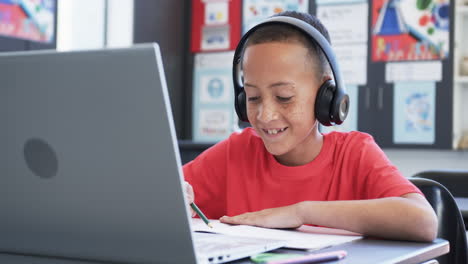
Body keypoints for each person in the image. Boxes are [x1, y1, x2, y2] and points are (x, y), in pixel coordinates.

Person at [183, 11, 438, 242]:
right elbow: (159, 195)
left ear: (326, 95)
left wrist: (300, 212)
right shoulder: (235, 153)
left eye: (284, 97)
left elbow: (423, 221)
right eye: (253, 97)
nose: (265, 114)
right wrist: (167, 198)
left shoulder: (354, 154)